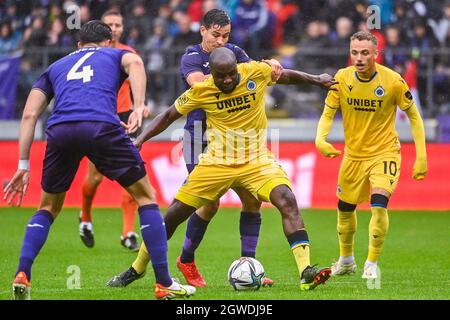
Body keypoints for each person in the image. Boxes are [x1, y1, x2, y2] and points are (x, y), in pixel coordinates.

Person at [114, 47, 338, 291]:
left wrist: (317, 80)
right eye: (222, 76)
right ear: (213, 75)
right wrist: (139, 140)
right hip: (216, 163)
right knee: (172, 217)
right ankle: (137, 268)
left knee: (287, 200)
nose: (228, 79)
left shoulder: (255, 71)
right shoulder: (202, 90)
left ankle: (306, 272)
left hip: (256, 160)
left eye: (231, 74)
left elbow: (286, 76)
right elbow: (168, 116)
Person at [3, 20, 195, 300]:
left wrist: (22, 165)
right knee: (145, 197)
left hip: (60, 130)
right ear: (107, 42)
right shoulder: (115, 54)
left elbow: (30, 115)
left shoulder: (55, 66)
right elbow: (137, 64)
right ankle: (164, 282)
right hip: (101, 125)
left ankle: (22, 273)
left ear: (79, 45)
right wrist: (140, 105)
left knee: (47, 207)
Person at [106, 9, 284, 288]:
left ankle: (248, 266)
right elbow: (200, 85)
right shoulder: (192, 57)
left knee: (252, 200)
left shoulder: (235, 52)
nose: (221, 41)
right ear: (203, 31)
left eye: (225, 35)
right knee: (206, 204)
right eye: (215, 35)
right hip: (199, 138)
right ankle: (181, 259)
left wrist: (270, 67)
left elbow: (253, 78)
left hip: (235, 141)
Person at [315, 31, 427, 279]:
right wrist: (320, 139)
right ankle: (346, 261)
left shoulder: (393, 81)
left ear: (376, 54)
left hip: (384, 153)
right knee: (345, 209)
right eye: (354, 52)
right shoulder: (342, 79)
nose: (359, 57)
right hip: (353, 156)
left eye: (365, 52)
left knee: (378, 205)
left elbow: (415, 117)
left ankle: (372, 264)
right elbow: (327, 112)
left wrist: (421, 156)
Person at [79, 10, 146, 251]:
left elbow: (138, 78)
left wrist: (141, 106)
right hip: (100, 117)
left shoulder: (129, 54)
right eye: (110, 24)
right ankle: (85, 217)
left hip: (127, 117)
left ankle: (128, 232)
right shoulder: (88, 57)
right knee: (95, 177)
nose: (115, 28)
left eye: (118, 24)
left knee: (134, 172)